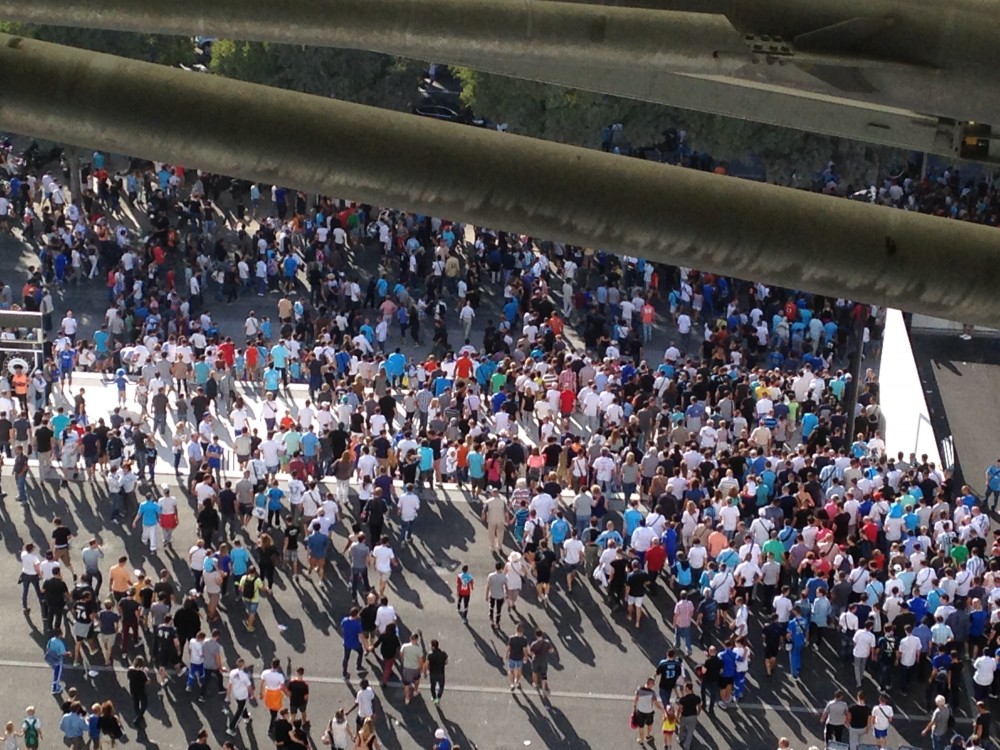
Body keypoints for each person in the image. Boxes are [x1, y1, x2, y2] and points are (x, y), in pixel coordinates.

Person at [225, 658, 256, 735]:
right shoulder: (244, 676)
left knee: (242, 707)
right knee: (239, 712)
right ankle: (231, 728)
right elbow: (249, 687)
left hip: (236, 694)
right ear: (243, 665)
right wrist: (252, 695)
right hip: (243, 696)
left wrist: (228, 695)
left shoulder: (232, 673)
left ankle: (246, 717)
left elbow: (230, 685)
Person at [632, 677, 663, 746]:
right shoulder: (652, 693)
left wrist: (634, 706)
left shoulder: (639, 689)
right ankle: (648, 735)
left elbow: (636, 698)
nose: (654, 685)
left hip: (640, 711)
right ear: (649, 683)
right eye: (653, 684)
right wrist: (662, 709)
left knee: (641, 726)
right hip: (649, 711)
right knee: (649, 724)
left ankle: (641, 739)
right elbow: (656, 703)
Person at [676, 683, 702, 750]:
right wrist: (698, 712)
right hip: (693, 716)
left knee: (681, 728)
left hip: (684, 716)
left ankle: (680, 739)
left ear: (687, 688)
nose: (684, 689)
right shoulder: (697, 698)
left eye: (685, 687)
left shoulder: (683, 699)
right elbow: (699, 706)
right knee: (690, 732)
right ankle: (686, 746)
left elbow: (680, 709)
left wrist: (677, 716)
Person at [126, 656, 150, 728]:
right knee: (144, 705)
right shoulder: (142, 673)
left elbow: (128, 677)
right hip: (141, 691)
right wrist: (146, 672)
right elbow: (148, 682)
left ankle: (138, 714)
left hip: (133, 689)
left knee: (135, 703)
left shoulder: (130, 670)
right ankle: (138, 717)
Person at [506, 624, 529, 691]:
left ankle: (512, 683)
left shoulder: (511, 638)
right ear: (523, 631)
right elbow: (525, 650)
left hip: (512, 657)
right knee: (519, 671)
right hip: (519, 658)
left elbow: (508, 648)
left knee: (511, 670)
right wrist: (526, 657)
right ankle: (517, 681)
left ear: (516, 630)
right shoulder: (524, 639)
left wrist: (506, 655)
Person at [44, 627, 68, 694]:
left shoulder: (51, 640)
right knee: (57, 674)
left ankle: (55, 686)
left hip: (50, 658)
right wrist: (68, 653)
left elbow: (47, 647)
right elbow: (63, 652)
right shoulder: (60, 643)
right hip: (57, 660)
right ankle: (55, 688)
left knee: (55, 672)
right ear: (60, 634)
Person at [425, 639, 448, 706]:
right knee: (441, 686)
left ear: (432, 646)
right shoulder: (443, 654)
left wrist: (425, 672)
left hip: (432, 674)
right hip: (441, 673)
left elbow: (426, 664)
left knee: (433, 687)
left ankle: (434, 698)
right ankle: (438, 697)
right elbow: (446, 662)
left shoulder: (429, 655)